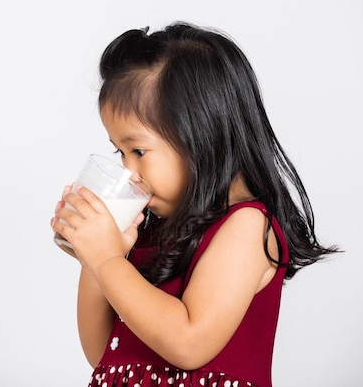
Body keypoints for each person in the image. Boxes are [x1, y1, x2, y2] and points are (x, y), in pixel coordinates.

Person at [50, 22, 338, 387]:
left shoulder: (246, 226)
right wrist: (93, 261)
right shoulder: (151, 229)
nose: (127, 169)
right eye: (119, 151)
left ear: (204, 135)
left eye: (138, 150)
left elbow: (189, 343)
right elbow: (105, 356)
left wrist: (106, 260)